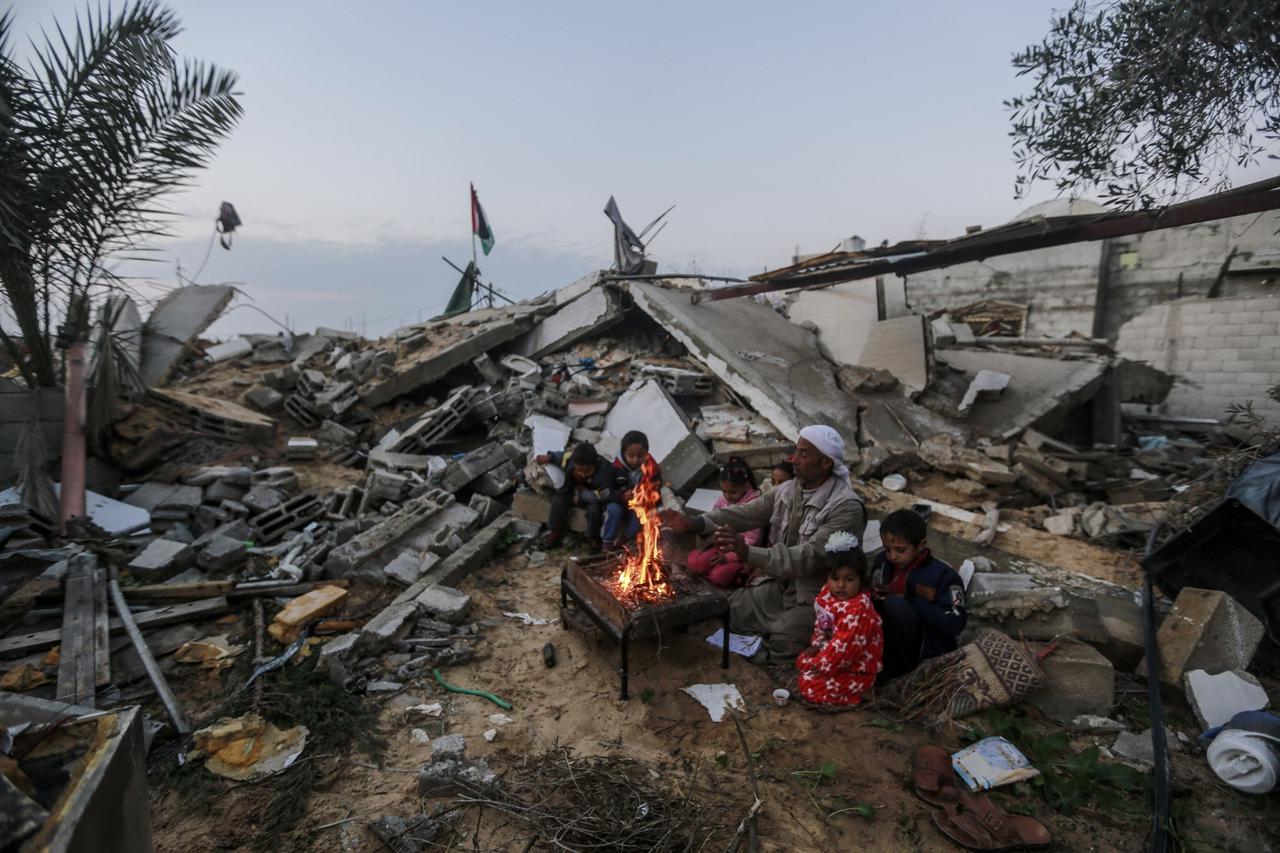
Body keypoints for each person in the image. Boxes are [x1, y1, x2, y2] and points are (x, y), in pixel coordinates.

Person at [661, 425, 866, 663]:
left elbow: (806, 558)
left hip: (815, 598)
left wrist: (747, 552)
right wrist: (694, 523)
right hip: (779, 587)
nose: (793, 460)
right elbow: (744, 514)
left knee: (786, 638)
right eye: (796, 451)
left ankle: (764, 648)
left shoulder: (846, 508)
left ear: (826, 463)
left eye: (803, 454)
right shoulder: (788, 490)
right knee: (728, 609)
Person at [869, 509, 967, 681]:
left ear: (920, 545)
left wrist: (911, 600)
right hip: (881, 640)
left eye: (900, 550)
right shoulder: (883, 563)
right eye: (887, 549)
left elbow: (955, 622)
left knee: (895, 605)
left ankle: (897, 675)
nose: (892, 556)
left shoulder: (945, 577)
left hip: (921, 650)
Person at [796, 532, 883, 708]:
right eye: (835, 578)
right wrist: (816, 650)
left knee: (808, 686)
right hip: (830, 656)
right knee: (804, 667)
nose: (841, 585)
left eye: (849, 579)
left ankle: (860, 693)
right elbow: (822, 629)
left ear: (860, 579)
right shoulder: (827, 595)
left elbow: (841, 654)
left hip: (854, 668)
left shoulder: (859, 612)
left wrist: (813, 663)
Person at [686, 457, 764, 587]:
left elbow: (751, 540)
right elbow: (712, 521)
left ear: (746, 486)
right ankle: (711, 573)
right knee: (695, 563)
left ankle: (741, 574)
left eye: (733, 492)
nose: (727, 496)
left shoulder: (753, 506)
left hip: (741, 552)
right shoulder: (722, 500)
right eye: (724, 491)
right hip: (720, 546)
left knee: (720, 576)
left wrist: (728, 557)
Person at [535, 443, 614, 548]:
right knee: (558, 500)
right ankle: (554, 532)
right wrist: (549, 457)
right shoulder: (570, 459)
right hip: (572, 490)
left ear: (595, 464)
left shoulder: (604, 470)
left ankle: (591, 538)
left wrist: (581, 495)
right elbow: (560, 457)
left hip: (592, 497)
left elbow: (603, 494)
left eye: (587, 471)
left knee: (594, 511)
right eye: (578, 471)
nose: (583, 474)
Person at [602, 431, 659, 550]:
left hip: (637, 504)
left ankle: (624, 540)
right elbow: (606, 490)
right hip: (618, 502)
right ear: (624, 453)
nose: (636, 460)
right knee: (614, 509)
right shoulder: (614, 467)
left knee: (641, 514)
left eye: (640, 455)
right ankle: (607, 542)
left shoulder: (651, 467)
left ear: (646, 453)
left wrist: (643, 496)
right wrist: (621, 495)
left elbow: (655, 487)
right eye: (631, 455)